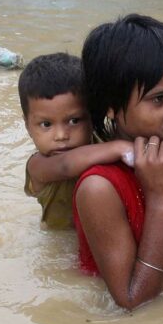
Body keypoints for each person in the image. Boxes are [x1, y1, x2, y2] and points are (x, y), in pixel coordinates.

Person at [74, 14, 163, 310]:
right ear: (111, 106)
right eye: (160, 99)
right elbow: (134, 301)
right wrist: (162, 199)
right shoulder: (100, 188)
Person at [19, 53, 134, 230]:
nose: (61, 135)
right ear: (27, 126)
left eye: (74, 121)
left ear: (92, 116)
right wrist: (121, 148)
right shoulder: (38, 166)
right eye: (46, 124)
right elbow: (66, 166)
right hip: (60, 238)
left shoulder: (101, 141)